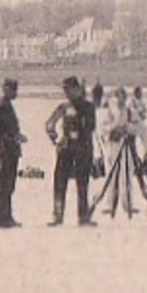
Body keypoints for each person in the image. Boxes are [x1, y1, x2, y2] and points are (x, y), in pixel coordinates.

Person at [45, 75, 97, 226]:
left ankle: (83, 217)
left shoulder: (88, 107)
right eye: (64, 90)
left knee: (82, 184)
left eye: (68, 89)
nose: (66, 93)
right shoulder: (64, 107)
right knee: (59, 182)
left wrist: (79, 126)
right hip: (66, 148)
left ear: (76, 89)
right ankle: (57, 216)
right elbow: (50, 123)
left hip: (83, 148)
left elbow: (91, 127)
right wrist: (53, 136)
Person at [0, 78, 27, 228]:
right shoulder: (1, 107)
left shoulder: (6, 105)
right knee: (3, 184)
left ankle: (6, 216)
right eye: (13, 89)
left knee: (9, 184)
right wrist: (12, 137)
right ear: (5, 89)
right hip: (5, 150)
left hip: (10, 149)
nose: (15, 93)